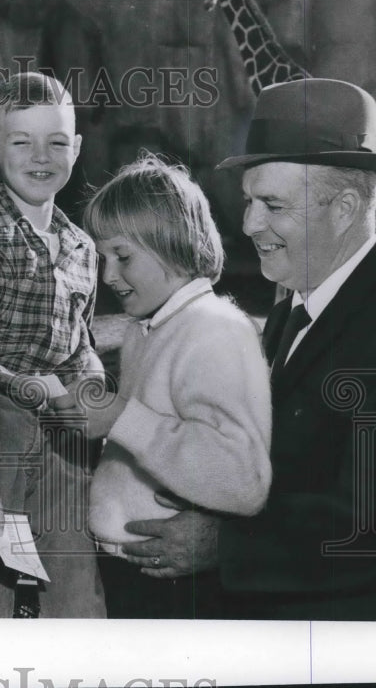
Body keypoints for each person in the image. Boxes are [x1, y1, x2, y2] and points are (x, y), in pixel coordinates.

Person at [120, 78, 376, 620]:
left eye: (272, 205)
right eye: (249, 201)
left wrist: (222, 546)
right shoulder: (293, 306)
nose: (250, 224)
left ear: (345, 207)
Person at [0, 71, 107, 618]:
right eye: (22, 141)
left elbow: (81, 344)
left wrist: (94, 388)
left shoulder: (82, 246)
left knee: (77, 601)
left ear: (76, 148)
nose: (42, 157)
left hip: (64, 446)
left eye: (57, 142)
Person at [81, 154, 271, 618]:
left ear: (171, 245)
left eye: (122, 256)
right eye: (101, 257)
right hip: (132, 576)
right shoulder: (146, 328)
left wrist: (119, 417)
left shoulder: (214, 329)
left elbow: (242, 480)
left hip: (178, 591)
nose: (107, 276)